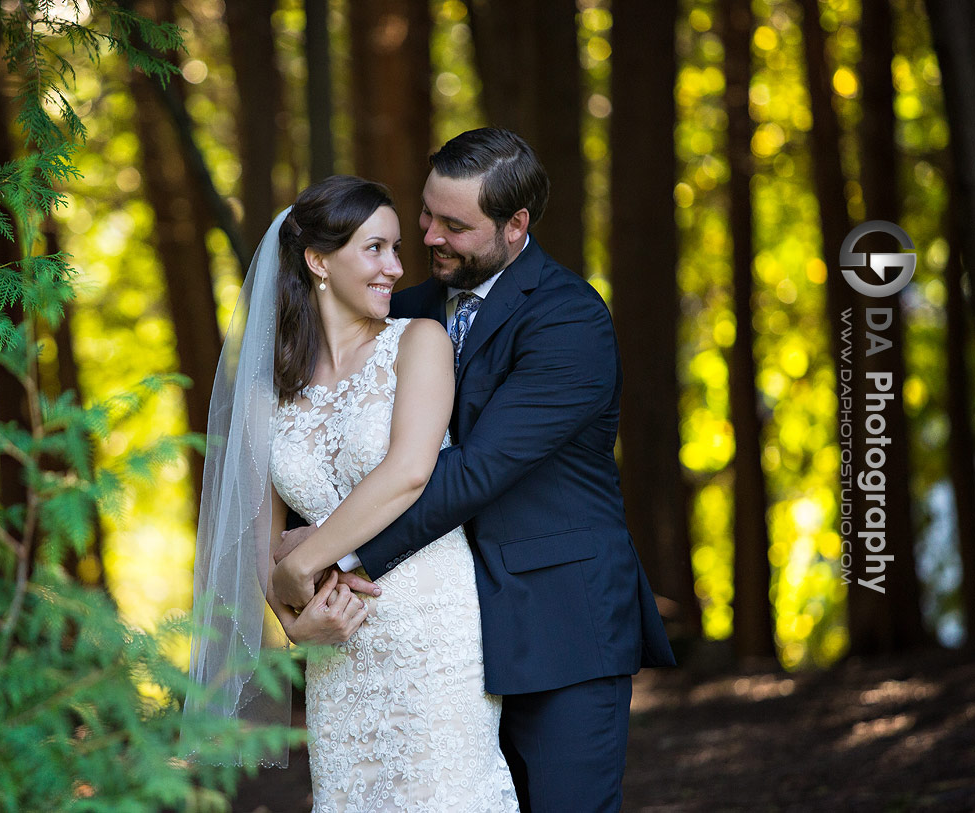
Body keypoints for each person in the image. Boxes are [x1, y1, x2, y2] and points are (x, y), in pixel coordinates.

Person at [272, 128, 677, 812]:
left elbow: (474, 470)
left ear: (516, 226)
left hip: (559, 627)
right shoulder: (407, 312)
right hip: (440, 637)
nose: (429, 237)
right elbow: (343, 436)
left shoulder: (569, 319)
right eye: (427, 214)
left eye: (454, 225)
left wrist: (330, 558)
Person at [184, 174, 519, 811]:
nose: (395, 267)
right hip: (337, 648)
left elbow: (409, 472)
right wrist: (294, 623)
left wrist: (306, 563)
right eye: (376, 249)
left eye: (397, 249)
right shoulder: (267, 390)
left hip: (433, 629)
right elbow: (258, 532)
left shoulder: (419, 342)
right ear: (317, 261)